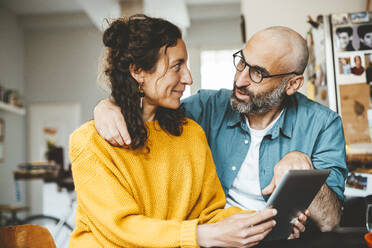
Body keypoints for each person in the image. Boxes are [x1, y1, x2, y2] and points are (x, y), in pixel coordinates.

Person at [94, 26, 347, 233]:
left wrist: (305, 172)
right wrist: (107, 105)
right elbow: (149, 108)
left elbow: (330, 220)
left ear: (292, 84)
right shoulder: (206, 107)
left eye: (258, 73)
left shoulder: (323, 124)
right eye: (242, 63)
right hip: (218, 236)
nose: (240, 80)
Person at [69, 15, 291, 248]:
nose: (188, 78)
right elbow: (120, 227)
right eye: (177, 66)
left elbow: (209, 214)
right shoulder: (90, 142)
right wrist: (199, 235)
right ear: (138, 71)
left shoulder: (191, 134)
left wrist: (262, 223)